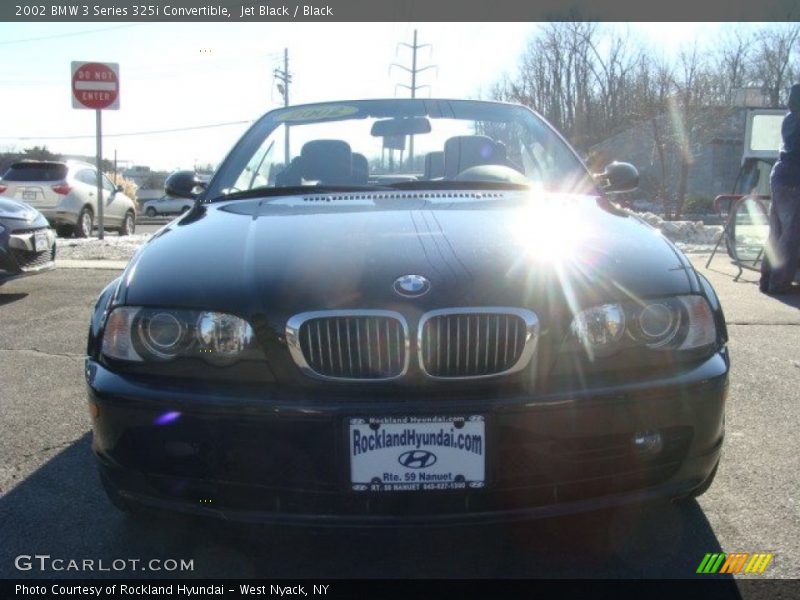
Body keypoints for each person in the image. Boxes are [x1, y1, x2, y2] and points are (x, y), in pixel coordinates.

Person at [760, 83, 800, 294]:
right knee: (791, 234)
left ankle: (766, 278)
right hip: (794, 177)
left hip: (781, 174)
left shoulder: (790, 117)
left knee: (776, 231)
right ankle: (779, 282)